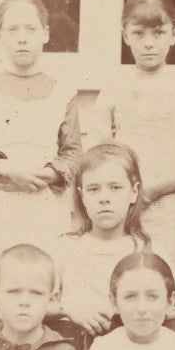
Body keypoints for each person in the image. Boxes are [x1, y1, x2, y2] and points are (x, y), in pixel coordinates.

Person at [87, 0, 175, 307]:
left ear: (174, 35)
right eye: (138, 33)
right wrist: (126, 195)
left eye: (158, 33)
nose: (149, 43)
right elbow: (98, 158)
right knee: (130, 291)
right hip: (126, 210)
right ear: (124, 35)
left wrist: (153, 190)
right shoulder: (113, 92)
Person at [0, 0, 82, 261]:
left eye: (31, 28)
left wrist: (45, 176)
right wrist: (8, 170)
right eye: (12, 29)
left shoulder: (62, 91)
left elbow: (73, 152)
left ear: (46, 34)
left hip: (45, 204)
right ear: (0, 35)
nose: (22, 37)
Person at [53, 143, 156, 336]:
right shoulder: (65, 248)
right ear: (81, 195)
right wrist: (66, 308)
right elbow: (30, 301)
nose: (104, 198)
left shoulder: (145, 249)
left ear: (134, 192)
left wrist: (127, 310)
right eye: (93, 189)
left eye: (115, 187)